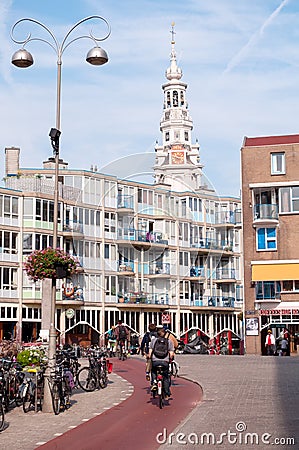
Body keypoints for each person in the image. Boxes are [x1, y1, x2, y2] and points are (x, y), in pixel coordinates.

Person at [148, 326, 175, 400]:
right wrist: (170, 359)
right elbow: (171, 354)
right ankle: (166, 392)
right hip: (165, 361)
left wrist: (149, 357)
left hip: (155, 361)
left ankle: (154, 383)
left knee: (153, 371)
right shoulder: (169, 341)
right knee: (166, 376)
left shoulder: (154, 341)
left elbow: (150, 352)